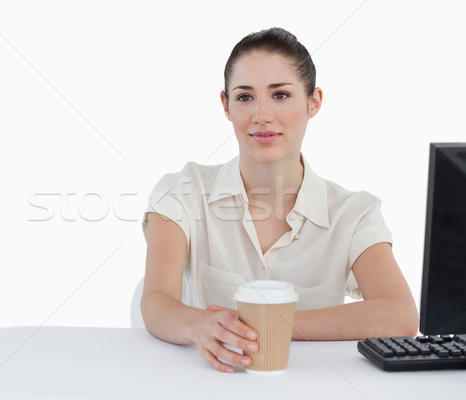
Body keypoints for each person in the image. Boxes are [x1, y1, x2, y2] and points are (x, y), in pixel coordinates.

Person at [140, 27, 419, 373]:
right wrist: (199, 326)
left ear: (313, 101)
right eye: (245, 97)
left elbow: (399, 315)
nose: (261, 115)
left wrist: (276, 324)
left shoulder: (354, 212)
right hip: (211, 384)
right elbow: (155, 302)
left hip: (313, 387)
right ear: (226, 106)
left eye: (281, 95)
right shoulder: (182, 190)